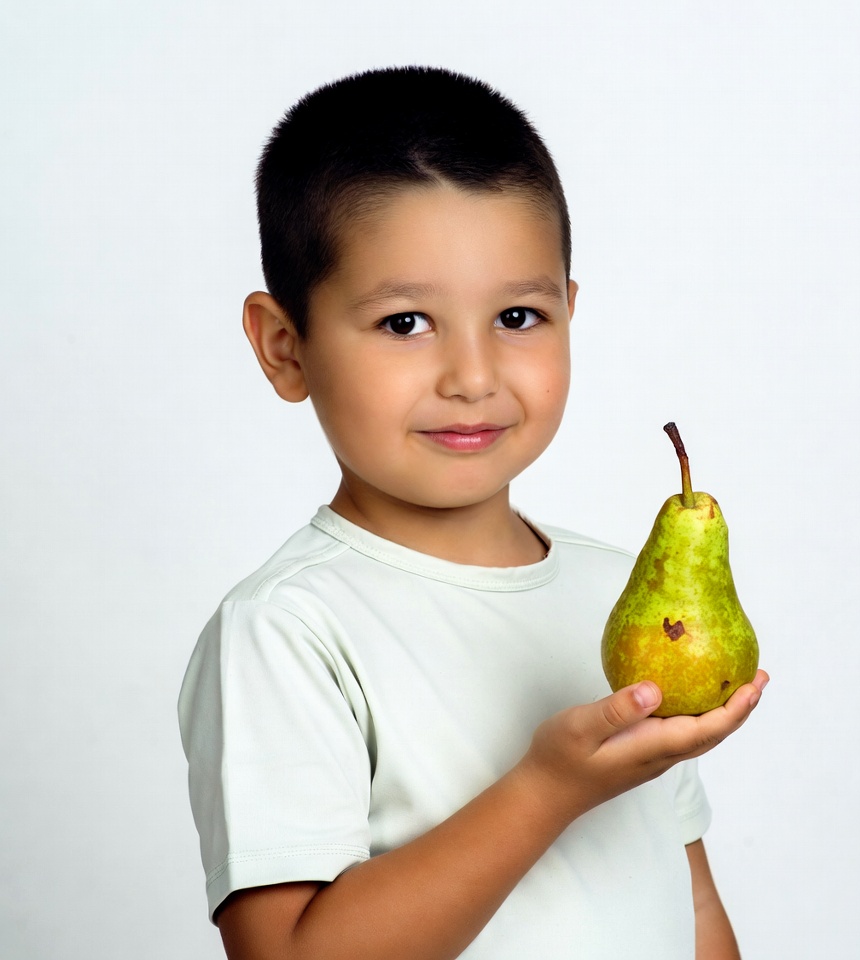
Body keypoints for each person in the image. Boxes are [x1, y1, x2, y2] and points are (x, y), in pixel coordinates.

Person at [178, 65, 768, 960]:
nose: (475, 377)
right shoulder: (287, 630)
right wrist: (546, 789)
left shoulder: (624, 601)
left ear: (572, 313)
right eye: (406, 323)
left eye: (520, 315)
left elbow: (684, 896)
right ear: (284, 346)